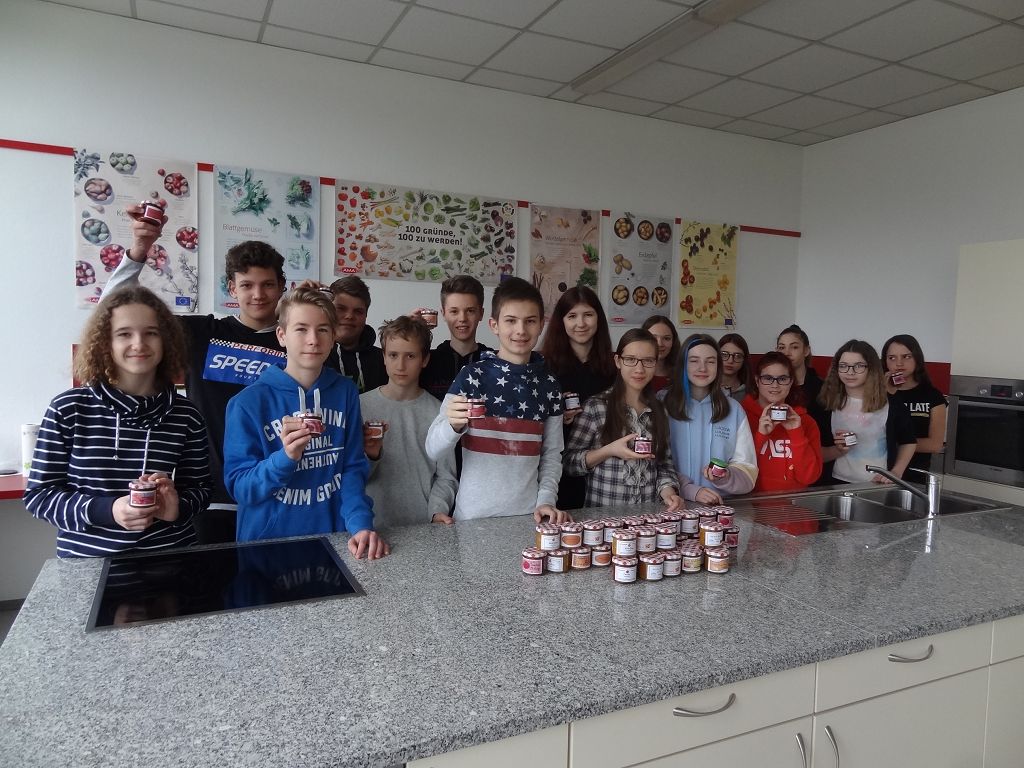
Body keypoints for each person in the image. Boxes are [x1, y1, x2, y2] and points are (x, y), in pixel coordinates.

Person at [105, 208, 287, 544]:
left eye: (267, 285)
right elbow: (114, 310)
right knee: (210, 578)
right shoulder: (200, 333)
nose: (258, 294)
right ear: (231, 288)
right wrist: (140, 248)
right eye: (247, 285)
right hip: (212, 497)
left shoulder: (296, 342)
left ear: (281, 288)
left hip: (279, 494)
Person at [25, 286, 212, 557]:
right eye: (124, 334)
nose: (139, 343)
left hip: (169, 560)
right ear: (105, 342)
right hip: (88, 564)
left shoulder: (187, 415)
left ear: (167, 341)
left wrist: (177, 507)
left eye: (151, 333)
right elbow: (39, 497)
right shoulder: (68, 409)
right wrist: (109, 510)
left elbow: (201, 489)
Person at [223, 287, 388, 558]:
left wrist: (360, 525)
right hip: (268, 549)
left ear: (333, 336)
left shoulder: (345, 391)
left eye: (323, 330)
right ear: (281, 335)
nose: (313, 340)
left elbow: (352, 468)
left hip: (334, 542)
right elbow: (240, 488)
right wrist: (285, 458)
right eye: (301, 329)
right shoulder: (247, 404)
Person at [425, 277, 567, 524]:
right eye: (511, 320)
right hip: (471, 518)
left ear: (541, 324)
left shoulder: (549, 385)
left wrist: (546, 500)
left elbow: (552, 455)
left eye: (530, 321)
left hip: (527, 518)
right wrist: (453, 425)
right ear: (494, 325)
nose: (521, 330)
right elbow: (433, 449)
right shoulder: (471, 376)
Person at [563, 329, 682, 509]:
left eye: (648, 361)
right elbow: (568, 463)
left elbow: (664, 464)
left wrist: (669, 493)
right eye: (630, 359)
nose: (639, 369)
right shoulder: (596, 407)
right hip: (603, 518)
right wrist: (608, 451)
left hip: (647, 517)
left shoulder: (659, 410)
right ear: (618, 361)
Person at [359, 316, 458, 526]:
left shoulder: (439, 411)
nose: (400, 365)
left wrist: (437, 510)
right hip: (371, 527)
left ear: (425, 359)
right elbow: (349, 475)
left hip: (423, 525)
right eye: (393, 355)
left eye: (410, 356)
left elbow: (446, 475)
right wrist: (371, 455)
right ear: (383, 357)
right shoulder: (360, 407)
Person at [539, 286, 616, 510]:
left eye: (588, 315)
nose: (581, 323)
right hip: (554, 473)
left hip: (603, 475)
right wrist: (558, 417)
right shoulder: (544, 367)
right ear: (561, 321)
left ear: (599, 318)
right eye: (572, 316)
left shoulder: (614, 367)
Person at [662, 333, 757, 503]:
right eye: (694, 361)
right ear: (682, 365)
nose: (703, 368)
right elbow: (653, 464)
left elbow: (748, 470)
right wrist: (688, 489)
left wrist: (726, 477)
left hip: (718, 507)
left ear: (719, 367)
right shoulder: (662, 404)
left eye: (711, 361)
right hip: (672, 505)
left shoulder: (733, 409)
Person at [818, 340, 916, 484]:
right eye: (843, 366)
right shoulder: (826, 403)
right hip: (834, 483)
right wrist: (838, 449)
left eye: (858, 366)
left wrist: (896, 472)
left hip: (877, 484)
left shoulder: (891, 403)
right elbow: (815, 451)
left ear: (871, 368)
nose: (850, 372)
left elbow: (908, 441)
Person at [741, 352, 822, 491]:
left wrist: (796, 433)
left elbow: (809, 477)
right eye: (767, 378)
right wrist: (760, 436)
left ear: (791, 382)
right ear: (757, 380)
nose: (775, 385)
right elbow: (737, 472)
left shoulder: (807, 423)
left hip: (793, 502)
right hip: (751, 500)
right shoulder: (741, 417)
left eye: (782, 379)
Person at [418, 275, 494, 400]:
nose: (462, 318)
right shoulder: (427, 362)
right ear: (443, 314)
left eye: (470, 311)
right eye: (454, 311)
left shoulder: (493, 362)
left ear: (481, 313)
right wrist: (408, 328)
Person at [882, 334, 947, 473]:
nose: (899, 363)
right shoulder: (877, 394)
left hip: (916, 473)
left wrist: (894, 444)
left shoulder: (933, 396)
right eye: (892, 358)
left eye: (906, 357)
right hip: (879, 470)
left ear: (917, 358)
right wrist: (885, 392)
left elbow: (935, 444)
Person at [777, 324, 830, 483]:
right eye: (781, 347)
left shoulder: (822, 388)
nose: (787, 353)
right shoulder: (772, 386)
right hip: (778, 459)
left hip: (813, 461)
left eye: (794, 347)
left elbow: (825, 435)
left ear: (806, 351)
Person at [325, 276, 387, 394]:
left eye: (358, 311)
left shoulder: (384, 360)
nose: (349, 316)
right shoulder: (314, 356)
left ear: (366, 316)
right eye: (341, 308)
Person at [641, 315, 679, 394]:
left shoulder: (682, 373)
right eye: (653, 338)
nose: (660, 344)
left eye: (666, 338)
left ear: (673, 342)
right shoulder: (633, 372)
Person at [718, 332, 752, 402]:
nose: (730, 361)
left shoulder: (751, 391)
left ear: (744, 360)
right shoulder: (706, 388)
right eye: (724, 355)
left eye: (737, 356)